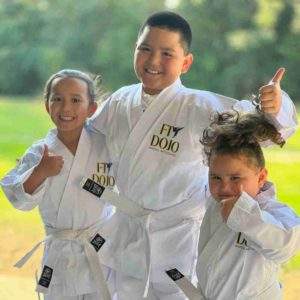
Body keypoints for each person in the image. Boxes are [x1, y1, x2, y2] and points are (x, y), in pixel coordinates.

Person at [89, 11, 298, 299]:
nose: (152, 61)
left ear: (186, 62)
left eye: (167, 54)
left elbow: (263, 129)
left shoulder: (198, 107)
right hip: (127, 234)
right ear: (134, 50)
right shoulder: (119, 100)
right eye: (145, 49)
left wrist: (276, 107)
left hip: (176, 239)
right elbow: (87, 141)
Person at [0, 69, 117, 300]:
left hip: (100, 248)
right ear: (47, 105)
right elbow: (18, 197)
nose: (66, 108)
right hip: (60, 254)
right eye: (57, 99)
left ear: (92, 108)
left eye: (76, 100)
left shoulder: (106, 145)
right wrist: (40, 172)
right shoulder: (40, 152)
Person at [192, 111, 300, 299]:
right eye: (215, 177)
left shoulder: (273, 213)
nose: (224, 187)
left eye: (235, 178)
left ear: (261, 177)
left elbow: (286, 245)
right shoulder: (214, 206)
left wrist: (244, 215)